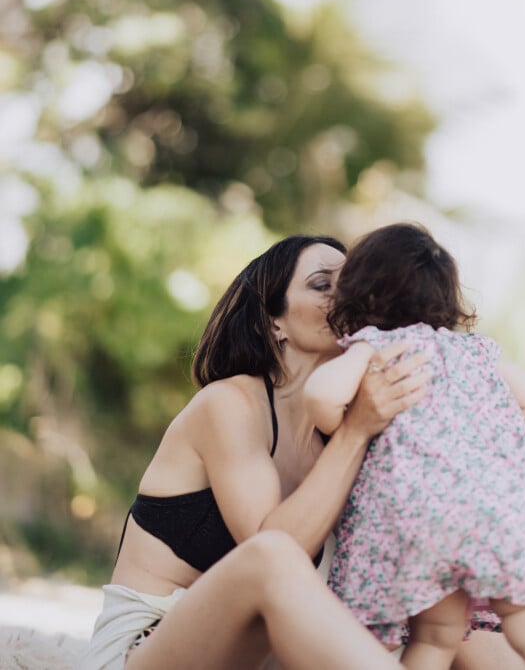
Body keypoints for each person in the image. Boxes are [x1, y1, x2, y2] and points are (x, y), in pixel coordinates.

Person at [82, 235, 431, 670]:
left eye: (353, 284)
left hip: (258, 658)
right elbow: (274, 544)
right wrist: (356, 433)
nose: (346, 297)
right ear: (272, 323)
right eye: (323, 284)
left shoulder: (347, 428)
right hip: (143, 648)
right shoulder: (228, 404)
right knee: (271, 554)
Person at [304, 222, 525, 670]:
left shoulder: (375, 345)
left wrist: (342, 424)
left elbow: (321, 395)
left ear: (359, 293)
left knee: (434, 637)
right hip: (504, 510)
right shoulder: (474, 351)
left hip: (422, 516)